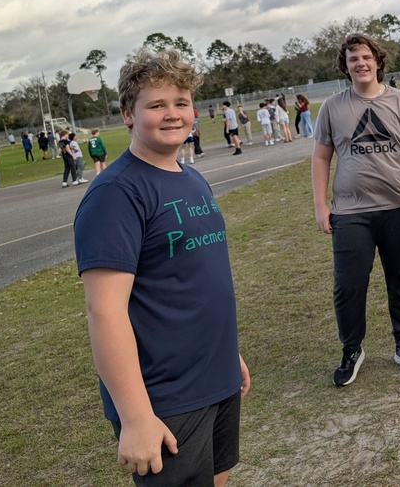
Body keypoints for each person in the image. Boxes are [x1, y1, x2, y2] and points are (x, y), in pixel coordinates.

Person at [74, 48, 250, 484]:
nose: (172, 115)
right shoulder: (116, 193)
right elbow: (104, 311)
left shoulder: (190, 177)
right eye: (156, 105)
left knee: (218, 477)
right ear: (128, 114)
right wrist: (135, 418)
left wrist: (229, 355)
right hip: (166, 396)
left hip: (216, 374)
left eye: (181, 102)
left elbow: (193, 280)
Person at [312, 33, 400, 387]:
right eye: (353, 58)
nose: (361, 63)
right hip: (350, 212)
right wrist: (321, 205)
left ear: (378, 61)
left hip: (399, 206)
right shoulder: (332, 107)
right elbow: (321, 155)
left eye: (366, 57)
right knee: (349, 285)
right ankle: (351, 349)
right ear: (346, 66)